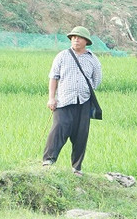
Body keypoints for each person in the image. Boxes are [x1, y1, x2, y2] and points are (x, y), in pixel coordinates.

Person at [41, 25, 103, 174]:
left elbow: (96, 80)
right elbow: (53, 77)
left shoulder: (93, 60)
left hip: (84, 102)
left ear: (86, 41)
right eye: (73, 37)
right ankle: (48, 161)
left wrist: (84, 89)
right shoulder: (62, 56)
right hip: (63, 101)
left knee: (81, 135)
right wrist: (51, 98)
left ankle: (76, 168)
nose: (76, 40)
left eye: (79, 37)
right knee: (58, 129)